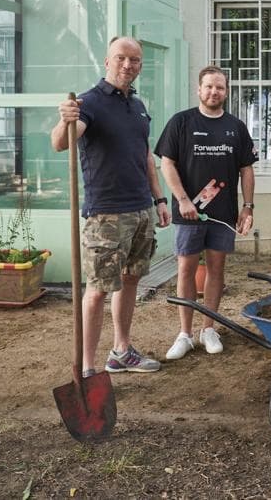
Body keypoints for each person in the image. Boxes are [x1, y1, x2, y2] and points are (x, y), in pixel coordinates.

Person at [50, 36, 171, 376]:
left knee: (131, 280)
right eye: (121, 58)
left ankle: (121, 350)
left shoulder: (138, 106)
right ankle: (87, 368)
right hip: (106, 214)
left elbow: (145, 155)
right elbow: (61, 143)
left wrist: (159, 199)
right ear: (107, 61)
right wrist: (65, 120)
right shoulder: (89, 103)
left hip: (141, 209)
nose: (128, 65)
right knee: (98, 290)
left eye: (135, 61)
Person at [155, 66, 257, 358]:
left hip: (223, 214)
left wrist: (248, 207)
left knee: (216, 269)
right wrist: (183, 200)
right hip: (188, 214)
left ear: (226, 92)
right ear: (199, 90)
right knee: (186, 269)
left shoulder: (235, 127)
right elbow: (166, 163)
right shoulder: (181, 122)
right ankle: (185, 333)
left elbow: (246, 170)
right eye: (209, 87)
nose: (214, 92)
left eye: (220, 88)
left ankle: (208, 328)